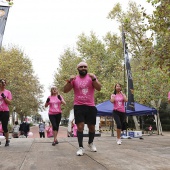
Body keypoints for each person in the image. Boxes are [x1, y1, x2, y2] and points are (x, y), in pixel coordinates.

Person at [63, 61, 102, 156]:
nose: (83, 68)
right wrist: (69, 81)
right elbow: (65, 90)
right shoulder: (74, 79)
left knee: (91, 127)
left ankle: (90, 143)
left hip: (90, 106)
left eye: (85, 66)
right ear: (78, 69)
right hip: (79, 106)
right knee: (80, 127)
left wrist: (94, 79)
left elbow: (99, 88)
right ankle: (80, 147)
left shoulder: (91, 77)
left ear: (87, 68)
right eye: (81, 67)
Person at [0, 79, 12, 146]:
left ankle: (7, 140)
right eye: (2, 82)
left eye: (5, 82)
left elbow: (10, 102)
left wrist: (4, 98)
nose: (3, 84)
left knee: (4, 127)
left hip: (5, 111)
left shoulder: (8, 92)